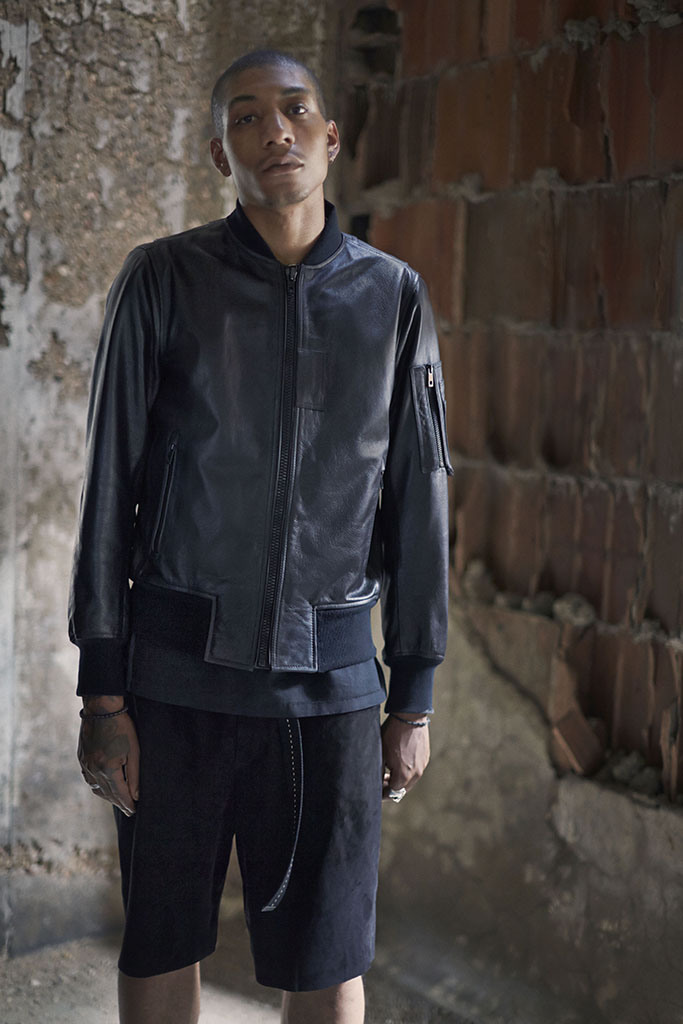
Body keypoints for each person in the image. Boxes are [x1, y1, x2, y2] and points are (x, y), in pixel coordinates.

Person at [69, 48, 451, 1024]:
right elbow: (109, 489)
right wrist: (104, 693)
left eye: (293, 110)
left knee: (326, 961)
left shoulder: (392, 296)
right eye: (245, 116)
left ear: (330, 138)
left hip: (328, 697)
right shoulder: (162, 279)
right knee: (162, 940)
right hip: (173, 686)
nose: (274, 130)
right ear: (219, 152)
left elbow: (419, 498)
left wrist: (411, 695)